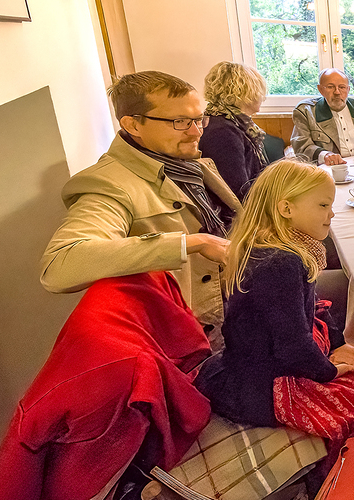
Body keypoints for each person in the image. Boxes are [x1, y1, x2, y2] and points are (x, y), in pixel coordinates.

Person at [197, 159, 354, 459]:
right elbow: (292, 346)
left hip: (269, 361)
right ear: (286, 209)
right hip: (261, 384)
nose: (331, 214)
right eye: (323, 205)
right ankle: (348, 469)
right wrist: (329, 372)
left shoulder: (279, 248)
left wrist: (339, 343)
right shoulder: (281, 263)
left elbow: (312, 305)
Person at [40, 70, 239, 334]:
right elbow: (59, 265)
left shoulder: (187, 164)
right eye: (180, 121)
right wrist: (192, 243)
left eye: (198, 119)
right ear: (133, 125)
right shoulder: (110, 184)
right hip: (192, 333)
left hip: (232, 307)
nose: (196, 132)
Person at [199, 61, 269, 199]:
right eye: (260, 90)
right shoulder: (222, 131)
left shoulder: (231, 122)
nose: (262, 97)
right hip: (241, 210)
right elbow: (237, 191)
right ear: (246, 92)